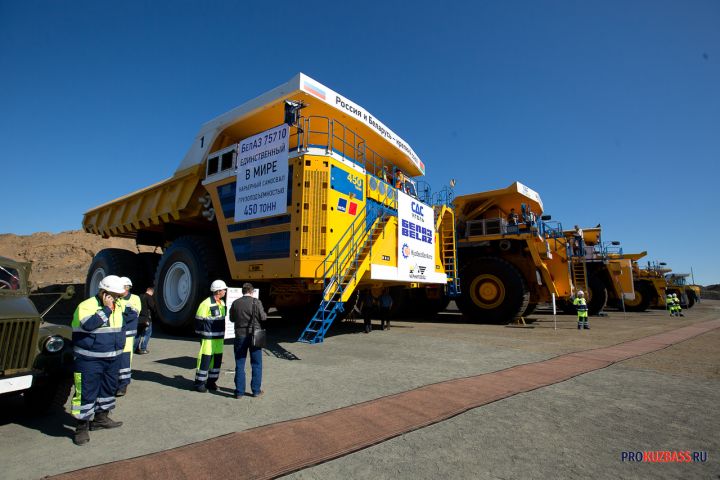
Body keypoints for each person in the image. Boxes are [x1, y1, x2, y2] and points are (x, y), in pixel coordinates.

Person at [70, 275, 126, 446]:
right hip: (89, 359)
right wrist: (107, 310)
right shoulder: (86, 306)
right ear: (103, 292)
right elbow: (89, 325)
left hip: (112, 358)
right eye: (114, 295)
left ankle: (101, 419)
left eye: (118, 296)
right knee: (85, 392)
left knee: (108, 389)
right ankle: (81, 428)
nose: (117, 298)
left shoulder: (118, 306)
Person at [229, 282, 267, 398]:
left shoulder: (236, 303)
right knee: (256, 363)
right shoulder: (256, 302)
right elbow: (263, 317)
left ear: (243, 291)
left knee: (240, 364)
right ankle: (256, 391)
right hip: (255, 335)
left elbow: (232, 319)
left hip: (240, 335)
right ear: (252, 291)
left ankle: (239, 392)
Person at [193, 280, 228, 393]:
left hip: (219, 338)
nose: (225, 291)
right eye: (223, 290)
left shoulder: (222, 303)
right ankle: (199, 383)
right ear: (218, 291)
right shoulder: (205, 304)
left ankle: (211, 382)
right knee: (205, 360)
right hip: (208, 338)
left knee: (216, 361)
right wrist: (201, 335)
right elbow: (198, 321)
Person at [116, 277, 141, 397]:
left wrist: (117, 316)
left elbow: (132, 315)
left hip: (127, 335)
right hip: (115, 334)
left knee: (125, 361)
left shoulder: (134, 298)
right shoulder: (116, 298)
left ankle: (123, 385)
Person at [134, 286, 155, 354]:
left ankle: (135, 348)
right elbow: (152, 307)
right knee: (147, 334)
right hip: (146, 319)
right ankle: (143, 348)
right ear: (151, 291)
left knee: (138, 334)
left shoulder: (139, 296)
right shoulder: (149, 297)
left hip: (139, 318)